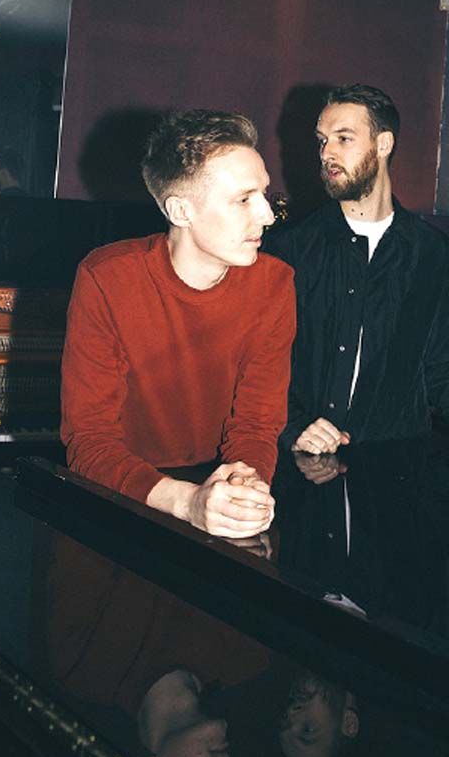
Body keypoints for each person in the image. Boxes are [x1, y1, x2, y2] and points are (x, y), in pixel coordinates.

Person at [263, 84, 449, 461]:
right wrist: (293, 426)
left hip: (394, 466)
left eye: (343, 138)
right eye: (322, 140)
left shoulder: (430, 252)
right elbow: (257, 363)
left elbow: (442, 368)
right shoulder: (289, 248)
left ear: (383, 144)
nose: (327, 153)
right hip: (302, 467)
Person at [61, 109, 295, 538]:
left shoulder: (275, 283)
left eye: (264, 194)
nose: (267, 214)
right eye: (244, 199)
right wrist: (187, 502)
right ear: (181, 210)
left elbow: (257, 425)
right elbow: (89, 442)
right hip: (125, 499)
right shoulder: (107, 277)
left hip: (219, 485)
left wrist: (243, 490)